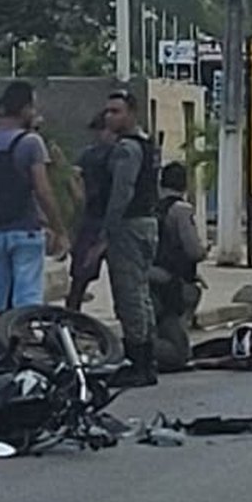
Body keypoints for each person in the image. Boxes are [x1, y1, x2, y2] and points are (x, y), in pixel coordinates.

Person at [0, 82, 69, 359]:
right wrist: (59, 228)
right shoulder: (30, 142)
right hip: (25, 231)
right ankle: (23, 362)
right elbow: (42, 190)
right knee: (26, 303)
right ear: (25, 108)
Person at [87, 90, 161, 387]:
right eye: (108, 111)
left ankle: (138, 362)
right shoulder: (146, 144)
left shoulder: (127, 149)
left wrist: (107, 232)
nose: (109, 117)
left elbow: (122, 192)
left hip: (129, 225)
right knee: (141, 293)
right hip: (146, 223)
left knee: (129, 295)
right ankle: (146, 358)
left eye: (116, 111)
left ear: (132, 113)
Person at [152, 161, 205, 372]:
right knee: (180, 354)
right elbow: (193, 250)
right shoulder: (181, 210)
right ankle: (137, 348)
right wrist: (204, 251)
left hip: (148, 275)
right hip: (171, 281)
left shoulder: (151, 206)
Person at [66, 111, 116, 312]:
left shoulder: (90, 155)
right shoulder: (116, 153)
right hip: (104, 219)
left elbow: (76, 190)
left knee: (80, 277)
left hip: (95, 218)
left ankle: (71, 316)